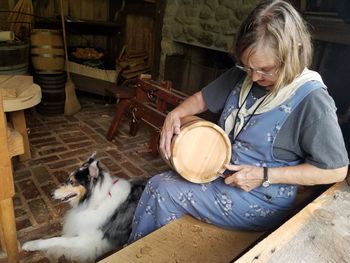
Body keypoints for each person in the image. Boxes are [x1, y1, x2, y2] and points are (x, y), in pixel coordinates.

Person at [128, 0, 349, 242]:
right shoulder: (245, 74)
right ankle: (150, 247)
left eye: (265, 69)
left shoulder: (312, 100)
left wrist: (265, 175)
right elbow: (202, 99)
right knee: (157, 184)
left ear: (293, 50)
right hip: (222, 176)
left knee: (162, 190)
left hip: (260, 197)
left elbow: (336, 170)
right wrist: (175, 113)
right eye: (247, 66)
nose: (254, 76)